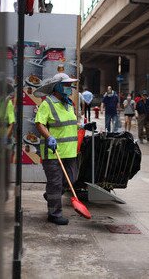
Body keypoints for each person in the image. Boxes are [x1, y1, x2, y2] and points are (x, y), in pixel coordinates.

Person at [33, 73, 89, 225]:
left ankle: (51, 194)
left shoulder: (68, 103)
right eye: (66, 85)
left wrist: (82, 126)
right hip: (53, 153)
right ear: (57, 87)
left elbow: (68, 124)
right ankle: (54, 213)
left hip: (70, 151)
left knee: (71, 179)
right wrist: (49, 137)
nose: (69, 88)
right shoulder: (47, 104)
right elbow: (39, 123)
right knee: (56, 183)